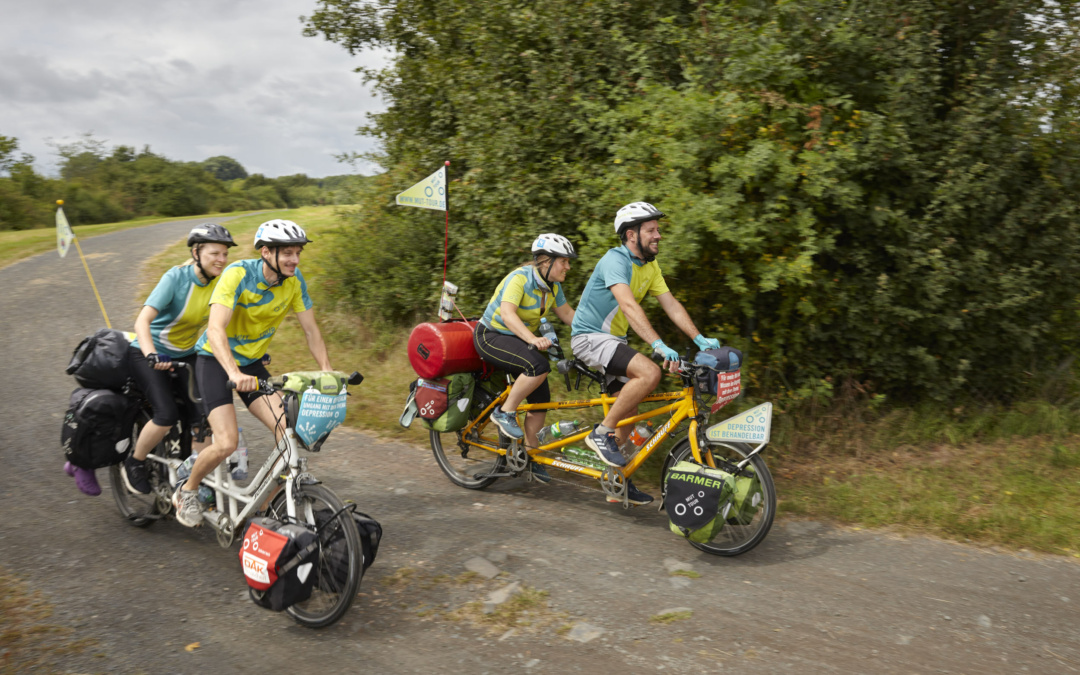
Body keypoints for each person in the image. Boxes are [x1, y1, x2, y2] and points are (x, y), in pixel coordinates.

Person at [172, 219, 333, 528]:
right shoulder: (238, 274)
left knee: (290, 434)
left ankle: (265, 502)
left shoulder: (294, 280)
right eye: (287, 252)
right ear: (266, 252)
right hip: (215, 361)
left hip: (252, 364)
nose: (294, 260)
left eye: (297, 252)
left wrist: (327, 373)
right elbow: (215, 329)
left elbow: (311, 331)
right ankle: (188, 490)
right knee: (226, 442)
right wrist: (233, 371)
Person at [570, 202, 722, 505]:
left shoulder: (650, 266)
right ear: (631, 235)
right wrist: (658, 344)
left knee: (631, 413)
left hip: (613, 341)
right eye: (651, 230)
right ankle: (600, 433)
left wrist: (699, 338)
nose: (658, 235)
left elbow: (671, 304)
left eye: (657, 229)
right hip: (590, 338)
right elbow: (628, 305)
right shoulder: (615, 260)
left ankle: (617, 482)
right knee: (650, 372)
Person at [119, 224, 236, 495]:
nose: (221, 259)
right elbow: (142, 321)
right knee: (166, 414)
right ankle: (134, 462)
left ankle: (194, 477)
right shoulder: (176, 278)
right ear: (196, 252)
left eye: (224, 254)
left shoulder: (221, 283)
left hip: (187, 354)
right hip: (148, 352)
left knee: (203, 416)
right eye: (214, 253)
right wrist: (151, 354)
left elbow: (225, 326)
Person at [474, 234, 577, 481]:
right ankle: (504, 412)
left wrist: (600, 333)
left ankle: (532, 457)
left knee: (541, 397)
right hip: (489, 335)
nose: (568, 267)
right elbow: (508, 315)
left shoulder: (553, 287)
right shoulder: (519, 279)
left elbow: (568, 315)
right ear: (546, 262)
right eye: (563, 261)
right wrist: (532, 339)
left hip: (515, 338)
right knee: (538, 366)